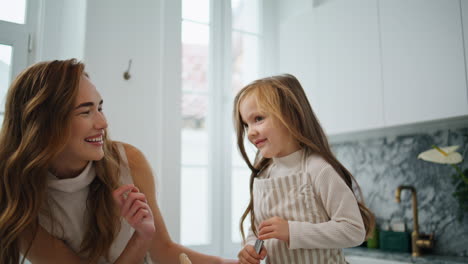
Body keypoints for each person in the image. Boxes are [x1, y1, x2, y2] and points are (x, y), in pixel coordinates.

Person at [0, 59, 237, 264]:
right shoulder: (18, 200)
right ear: (44, 124)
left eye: (100, 108)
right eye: (86, 111)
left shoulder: (129, 162)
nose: (103, 123)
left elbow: (163, 251)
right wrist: (140, 238)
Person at [233, 74, 375, 264]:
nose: (250, 132)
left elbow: (354, 230)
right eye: (246, 124)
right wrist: (250, 247)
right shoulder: (265, 175)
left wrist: (293, 231)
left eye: (258, 118)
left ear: (291, 116)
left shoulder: (318, 169)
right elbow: (258, 229)